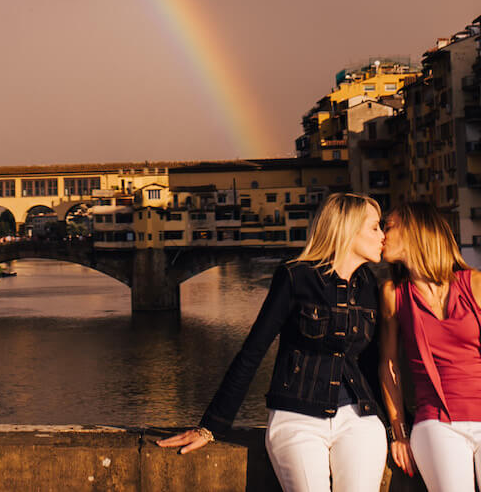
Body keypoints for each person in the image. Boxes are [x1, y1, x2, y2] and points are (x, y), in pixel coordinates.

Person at [158, 193, 388, 492]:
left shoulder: (369, 285)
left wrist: (402, 429)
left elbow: (375, 364)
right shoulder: (296, 276)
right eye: (375, 228)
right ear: (348, 229)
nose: (383, 235)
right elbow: (253, 351)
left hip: (359, 418)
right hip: (298, 417)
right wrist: (212, 425)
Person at [377, 202, 481, 492]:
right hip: (437, 423)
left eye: (388, 226)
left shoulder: (480, 285)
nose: (382, 234)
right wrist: (399, 431)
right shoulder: (394, 294)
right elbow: (389, 365)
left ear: (416, 231)